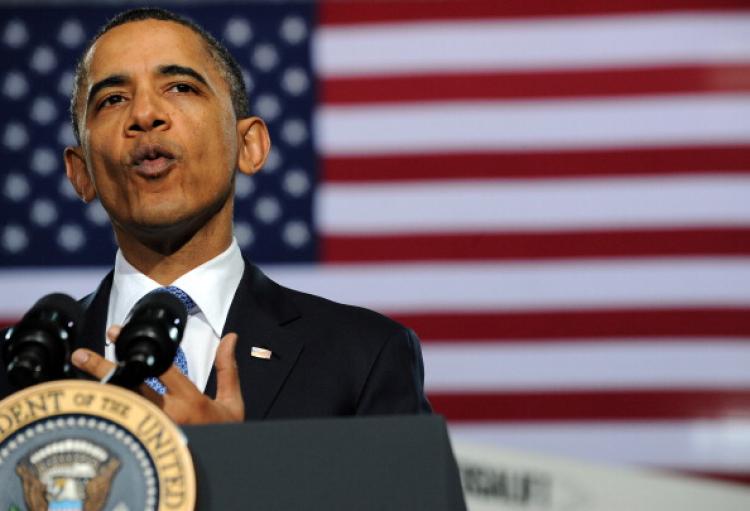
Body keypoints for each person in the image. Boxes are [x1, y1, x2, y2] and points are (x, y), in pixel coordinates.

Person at [0, 8, 431, 423]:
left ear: (249, 146)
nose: (145, 115)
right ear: (81, 174)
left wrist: (229, 466)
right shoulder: (19, 370)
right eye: (113, 99)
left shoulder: (363, 356)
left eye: (180, 88)